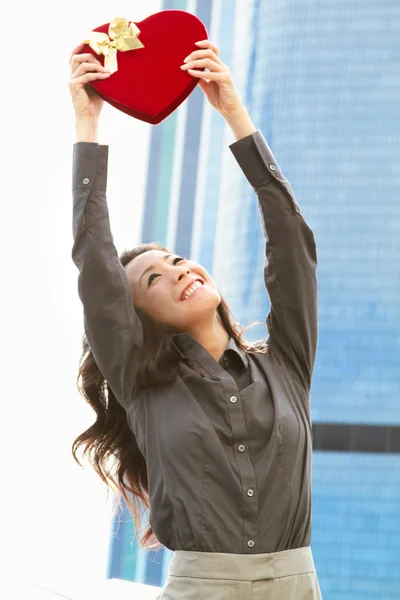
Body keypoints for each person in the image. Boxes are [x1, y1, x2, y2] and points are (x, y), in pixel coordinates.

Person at [68, 37, 322, 600]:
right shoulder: (140, 384)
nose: (180, 271)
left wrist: (234, 112)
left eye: (178, 259)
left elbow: (293, 246)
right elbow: (96, 264)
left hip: (297, 586)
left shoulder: (287, 366)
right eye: (154, 278)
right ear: (140, 317)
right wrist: (88, 123)